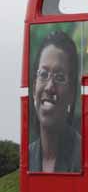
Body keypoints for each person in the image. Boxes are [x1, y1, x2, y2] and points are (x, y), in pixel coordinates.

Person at [29, 31, 81, 173]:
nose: (49, 87)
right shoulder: (27, 157)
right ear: (34, 88)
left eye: (59, 77)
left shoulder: (82, 155)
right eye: (44, 74)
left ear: (71, 93)